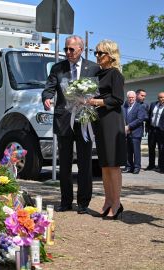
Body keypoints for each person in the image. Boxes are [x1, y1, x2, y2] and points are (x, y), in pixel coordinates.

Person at [41, 35, 100, 214]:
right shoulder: (58, 68)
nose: (67, 52)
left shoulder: (94, 68)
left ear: (81, 49)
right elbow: (49, 87)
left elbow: (99, 92)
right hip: (64, 120)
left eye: (71, 49)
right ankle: (66, 201)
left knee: (84, 163)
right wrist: (47, 98)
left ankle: (83, 203)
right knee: (65, 163)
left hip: (84, 122)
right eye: (66, 49)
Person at [88, 39, 126, 220]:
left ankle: (117, 203)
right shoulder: (98, 73)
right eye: (95, 52)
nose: (97, 56)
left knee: (113, 164)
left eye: (100, 53)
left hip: (111, 120)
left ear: (110, 56)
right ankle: (108, 200)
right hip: (99, 120)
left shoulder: (115, 74)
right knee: (103, 164)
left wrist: (97, 101)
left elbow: (118, 99)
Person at [122, 91, 147, 174]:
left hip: (135, 132)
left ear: (135, 97)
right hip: (126, 133)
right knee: (128, 151)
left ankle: (137, 167)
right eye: (129, 97)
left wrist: (129, 126)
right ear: (127, 98)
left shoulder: (140, 106)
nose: (131, 99)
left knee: (136, 151)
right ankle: (129, 166)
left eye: (132, 97)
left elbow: (140, 119)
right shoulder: (124, 107)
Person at [147, 92, 164, 173]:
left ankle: (161, 166)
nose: (162, 99)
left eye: (163, 97)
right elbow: (149, 116)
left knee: (161, 149)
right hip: (152, 130)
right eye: (160, 97)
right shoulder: (153, 104)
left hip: (161, 131)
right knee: (151, 148)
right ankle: (151, 165)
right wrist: (148, 128)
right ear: (158, 98)